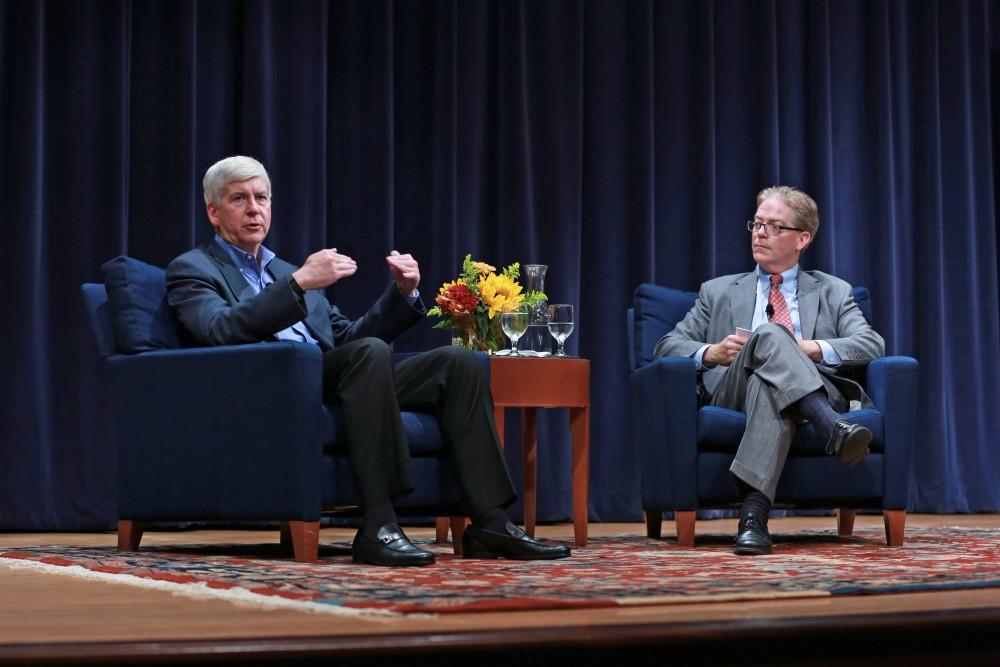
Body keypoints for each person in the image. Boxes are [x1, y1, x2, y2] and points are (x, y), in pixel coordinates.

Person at [166, 155, 570, 567]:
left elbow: (348, 339)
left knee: (458, 362)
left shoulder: (285, 270)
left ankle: (490, 523)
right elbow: (218, 329)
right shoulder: (194, 268)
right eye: (239, 199)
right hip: (274, 383)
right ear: (213, 212)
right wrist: (299, 283)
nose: (254, 208)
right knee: (369, 356)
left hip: (337, 374)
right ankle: (379, 523)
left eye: (262, 197)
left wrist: (402, 294)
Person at [654, 186, 884, 556]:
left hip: (801, 385)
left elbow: (872, 344)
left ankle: (754, 519)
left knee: (768, 378)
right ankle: (831, 426)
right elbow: (666, 347)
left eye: (775, 227)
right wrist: (711, 353)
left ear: (802, 239)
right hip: (733, 394)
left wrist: (811, 348)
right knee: (770, 335)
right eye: (757, 224)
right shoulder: (717, 291)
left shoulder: (834, 291)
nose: (760, 233)